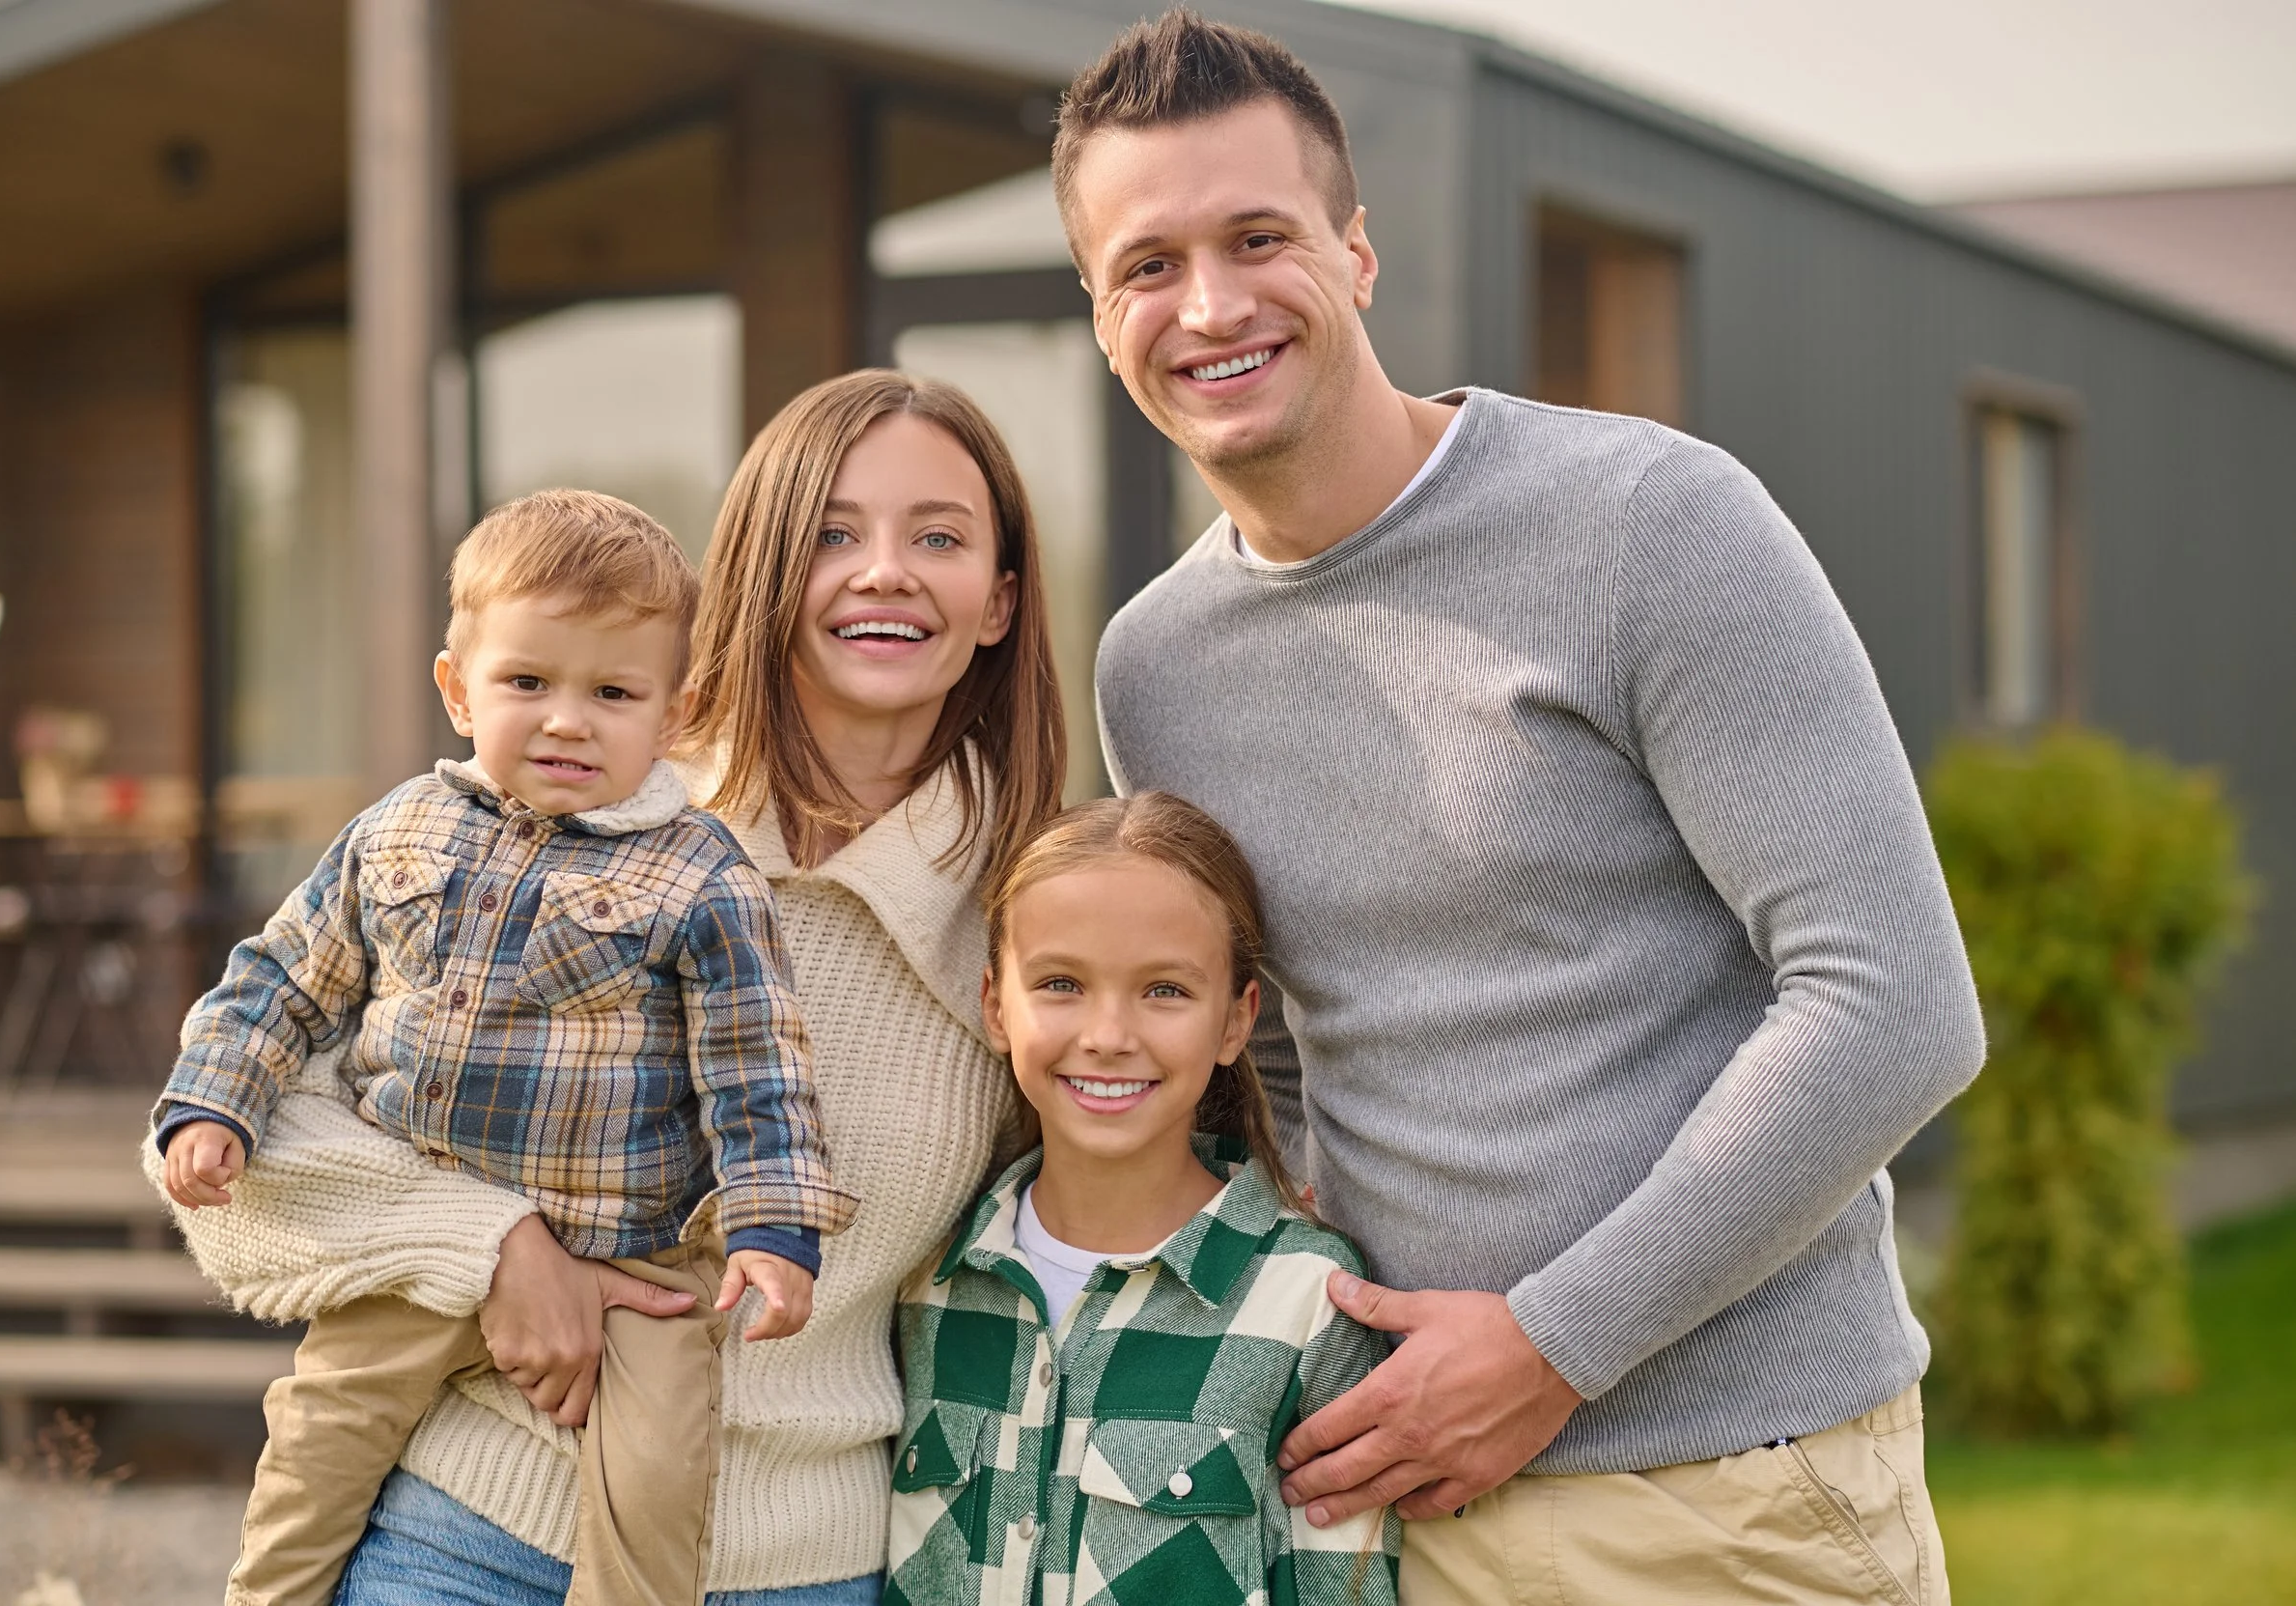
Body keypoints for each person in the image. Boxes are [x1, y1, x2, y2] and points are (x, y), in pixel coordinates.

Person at [1077, 13, 1985, 1603]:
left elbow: (1895, 1001)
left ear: (1356, 254)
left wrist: (1555, 1342)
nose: (1209, 305)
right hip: (1398, 1503)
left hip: (1727, 1491)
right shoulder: (1156, 666)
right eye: (1148, 264)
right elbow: (1269, 1047)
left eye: (1259, 238)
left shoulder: (1652, 524)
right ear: (1099, 315)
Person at [164, 371, 1067, 1606]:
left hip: (811, 1564)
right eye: (834, 534)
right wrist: (494, 1248)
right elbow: (239, 1162)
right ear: (760, 573)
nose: (885, 571)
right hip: (461, 1530)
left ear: (1000, 599)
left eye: (941, 538)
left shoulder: (1037, 920)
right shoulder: (566, 803)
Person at [154, 489, 854, 1606]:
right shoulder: (397, 831)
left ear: (674, 713)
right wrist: (214, 1102)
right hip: (429, 1234)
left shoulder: (699, 876)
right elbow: (282, 976)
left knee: (660, 1481)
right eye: (528, 682)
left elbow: (758, 1072)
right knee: (316, 1441)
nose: (567, 720)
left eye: (612, 692)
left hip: (636, 1260)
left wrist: (776, 1231)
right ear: (457, 688)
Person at [888, 791, 1396, 1606]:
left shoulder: (1308, 1299)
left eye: (1164, 990)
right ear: (995, 1005)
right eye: (1061, 983)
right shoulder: (929, 1283)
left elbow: (1343, 1588)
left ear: (1237, 1021)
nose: (1109, 1034)